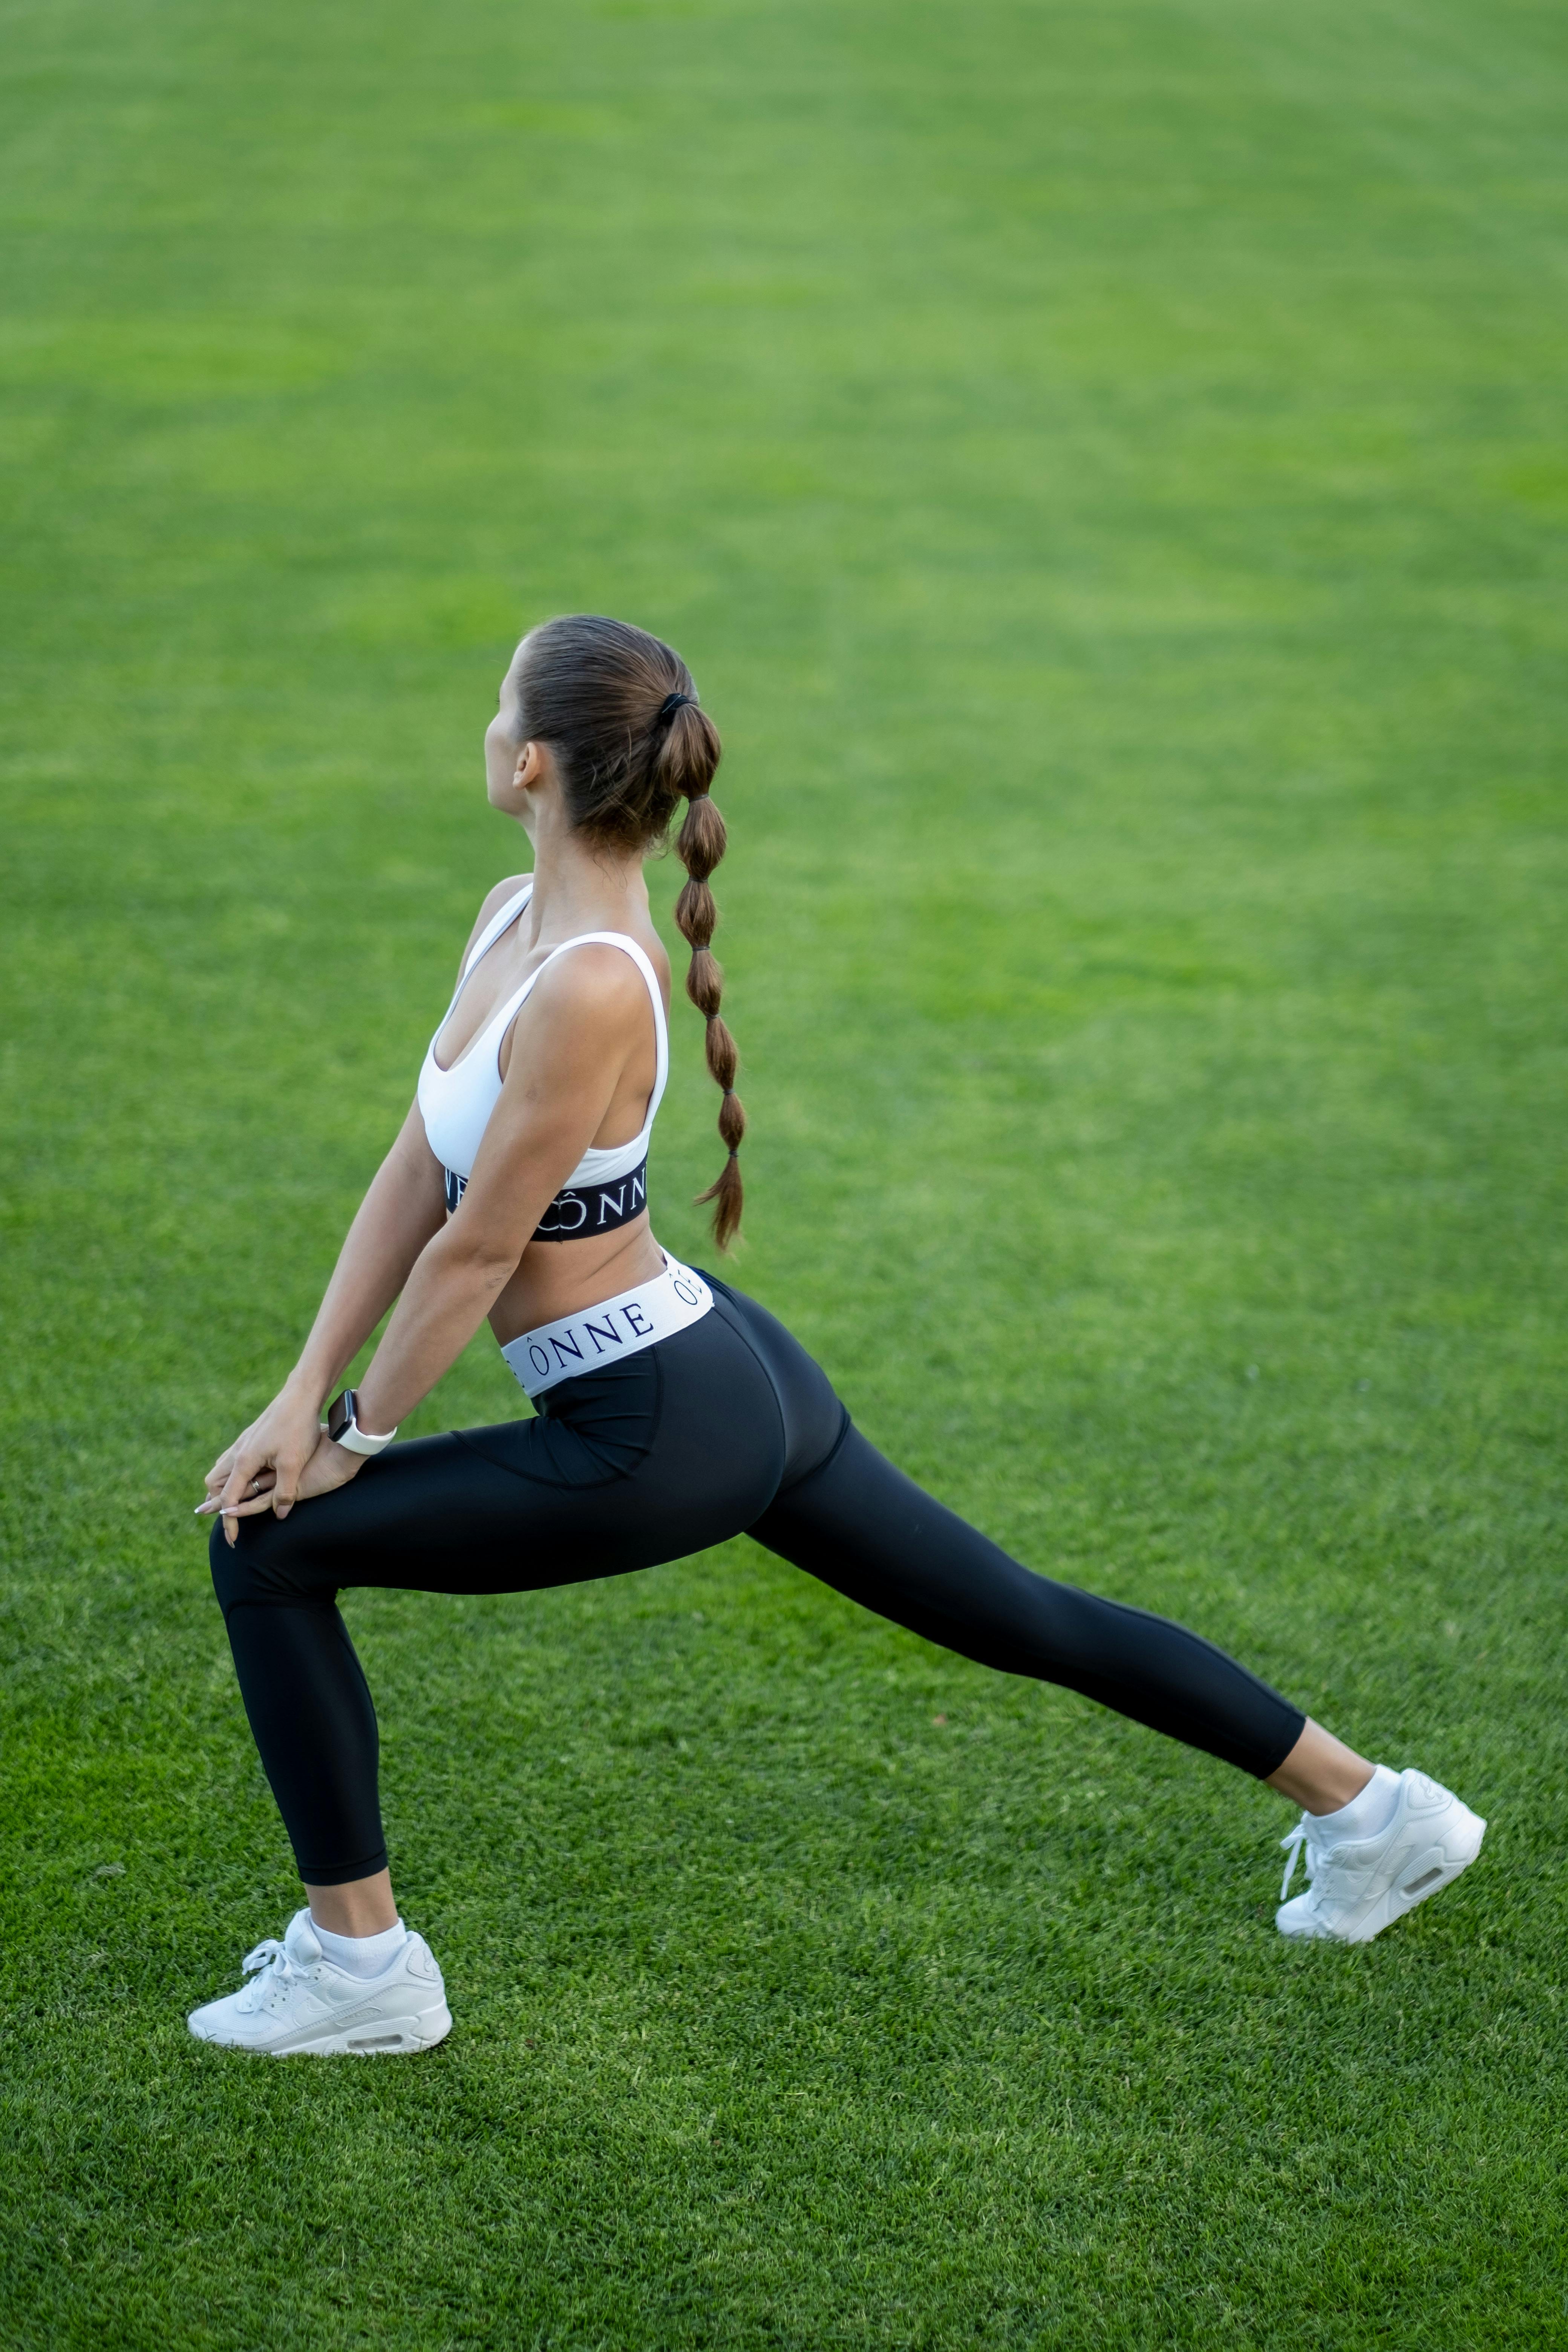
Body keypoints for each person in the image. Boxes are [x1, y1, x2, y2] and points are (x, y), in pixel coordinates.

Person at [191, 615, 1485, 2057]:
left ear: (533, 763)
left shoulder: (590, 986)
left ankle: (361, 1971)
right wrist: (304, 1391)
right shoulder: (511, 917)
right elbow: (417, 1168)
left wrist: (351, 1441)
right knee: (1017, 1613)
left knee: (274, 1548)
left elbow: (479, 1251)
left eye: (498, 703)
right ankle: (1376, 1811)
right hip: (718, 1368)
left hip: (656, 1426)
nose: (484, 723)